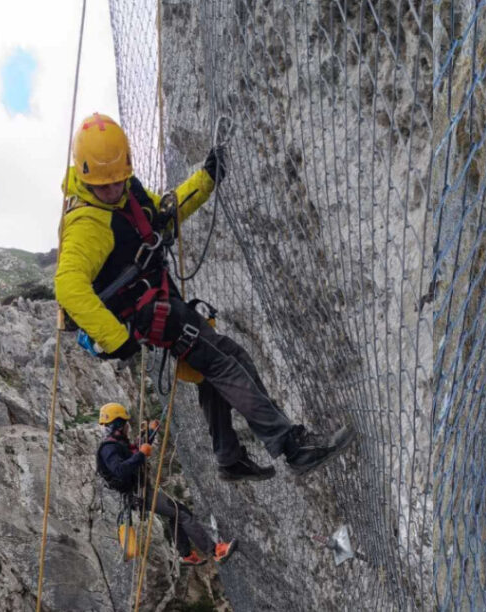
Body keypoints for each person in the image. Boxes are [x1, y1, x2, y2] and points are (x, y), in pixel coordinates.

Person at [56, 112, 353, 482]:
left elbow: (162, 216)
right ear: (85, 178)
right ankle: (293, 448)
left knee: (223, 361)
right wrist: (116, 338)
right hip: (150, 316)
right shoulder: (87, 224)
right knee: (224, 362)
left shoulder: (125, 192)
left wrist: (207, 179)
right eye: (104, 186)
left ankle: (229, 458)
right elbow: (68, 286)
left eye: (118, 180)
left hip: (161, 306)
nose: (113, 189)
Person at [96, 403, 236, 565]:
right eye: (125, 423)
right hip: (138, 494)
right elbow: (120, 469)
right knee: (181, 512)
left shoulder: (117, 443)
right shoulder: (109, 448)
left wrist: (150, 433)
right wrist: (141, 455)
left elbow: (135, 449)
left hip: (139, 492)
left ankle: (186, 555)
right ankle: (215, 551)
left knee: (175, 514)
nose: (128, 426)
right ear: (118, 425)